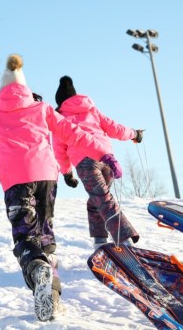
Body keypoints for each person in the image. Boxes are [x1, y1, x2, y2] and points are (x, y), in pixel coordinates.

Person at [0, 55, 109, 321]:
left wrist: (1, 170)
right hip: (46, 177)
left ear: (2, 89)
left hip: (17, 181)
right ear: (25, 87)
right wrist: (103, 152)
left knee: (26, 234)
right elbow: (72, 132)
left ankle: (36, 267)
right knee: (45, 234)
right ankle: (51, 298)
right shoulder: (41, 108)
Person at [53, 75, 144, 249]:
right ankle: (100, 240)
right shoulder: (91, 110)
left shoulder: (60, 119)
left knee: (103, 200)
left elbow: (59, 150)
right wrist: (134, 133)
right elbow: (115, 128)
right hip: (106, 160)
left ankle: (125, 240)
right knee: (97, 199)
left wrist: (67, 173)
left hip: (86, 163)